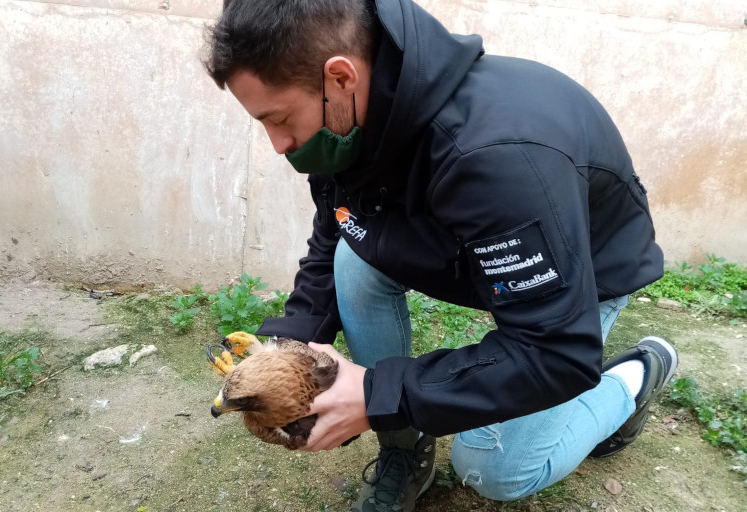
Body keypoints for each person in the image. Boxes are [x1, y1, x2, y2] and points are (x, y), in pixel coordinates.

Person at [201, 0, 679, 510]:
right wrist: (293, 343)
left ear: (340, 78)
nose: (277, 144)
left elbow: (553, 352)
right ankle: (404, 446)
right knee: (351, 260)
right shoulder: (345, 121)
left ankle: (637, 376)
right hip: (467, 250)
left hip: (577, 274)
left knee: (494, 470)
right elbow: (337, 229)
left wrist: (377, 394)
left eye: (278, 119)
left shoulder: (498, 158)